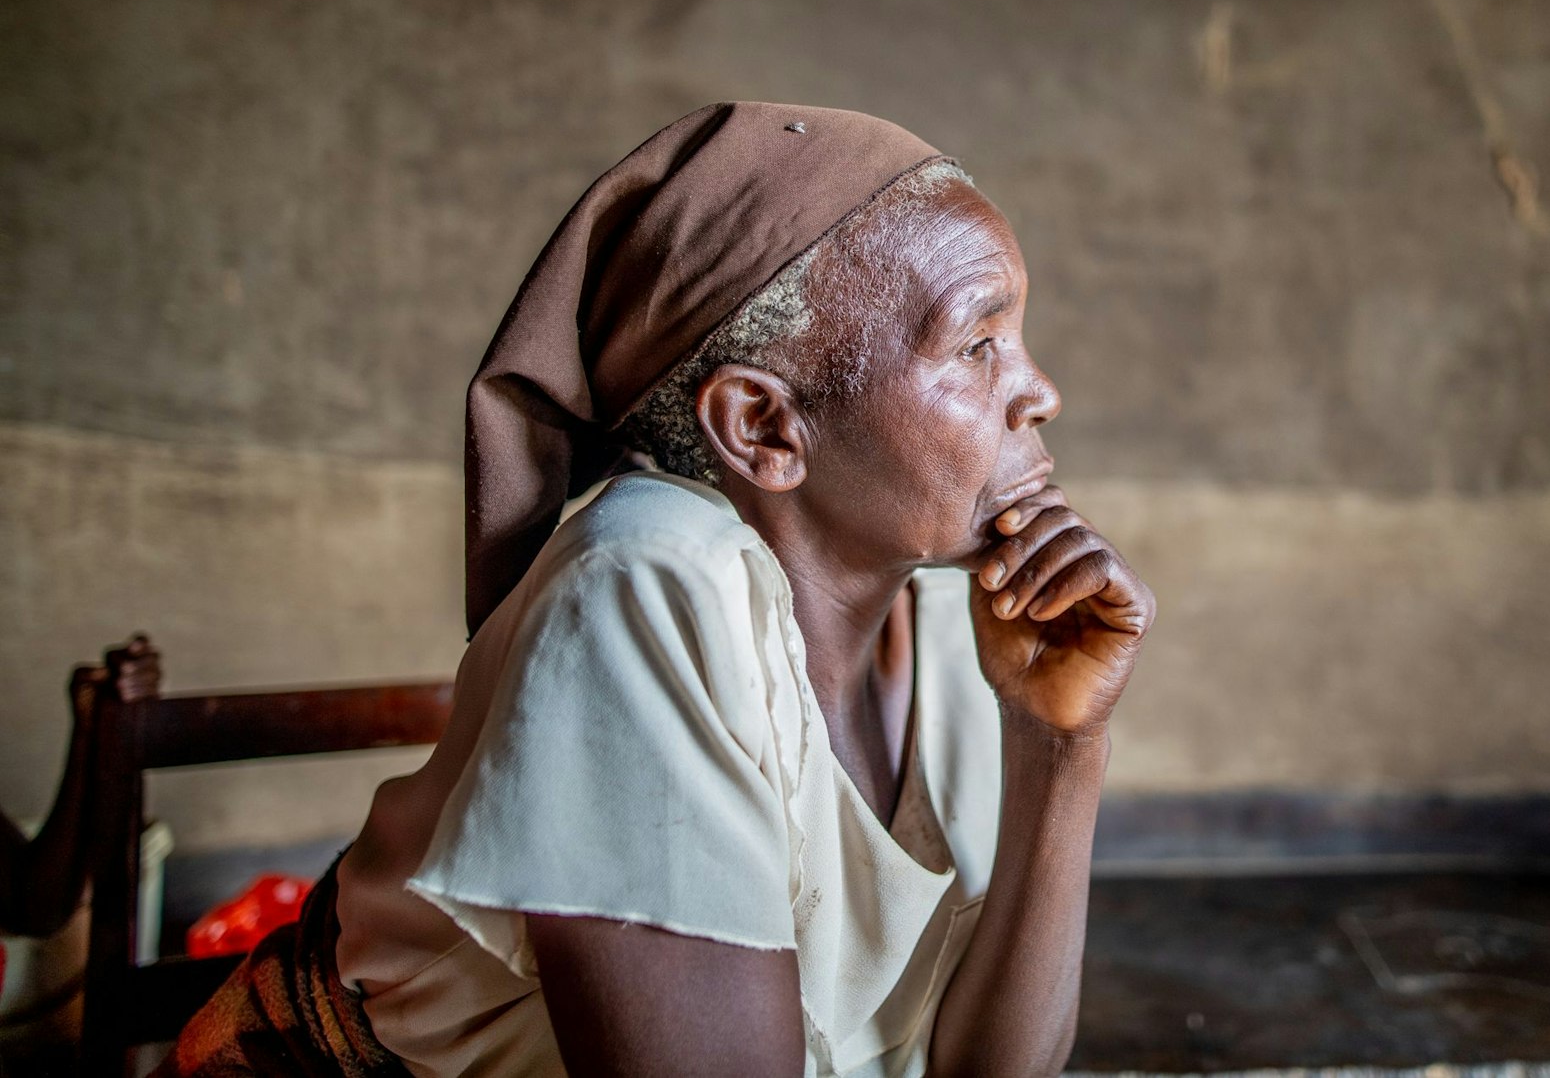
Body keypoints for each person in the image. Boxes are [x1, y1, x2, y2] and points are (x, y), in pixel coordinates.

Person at [159, 102, 1153, 1077]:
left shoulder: (949, 607)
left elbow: (991, 1066)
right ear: (763, 428)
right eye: (977, 346)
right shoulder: (644, 585)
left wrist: (1059, 742)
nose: (1039, 391)